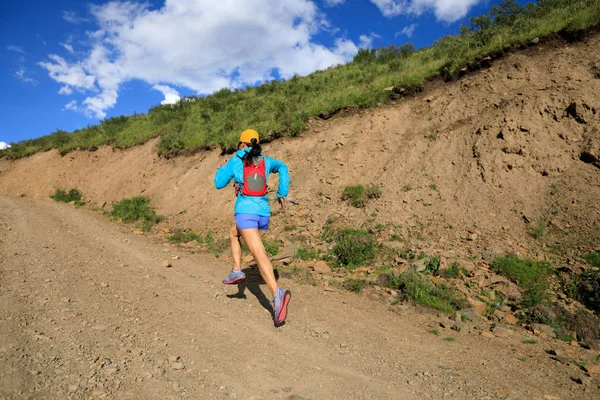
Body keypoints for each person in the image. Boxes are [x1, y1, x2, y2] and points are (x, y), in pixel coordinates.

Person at [214, 129, 291, 327]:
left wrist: (222, 168)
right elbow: (283, 167)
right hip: (262, 213)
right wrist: (282, 193)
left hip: (245, 213)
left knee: (259, 253)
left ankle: (277, 294)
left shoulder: (236, 160)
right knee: (234, 232)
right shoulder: (266, 160)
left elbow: (218, 184)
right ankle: (237, 270)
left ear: (241, 144)